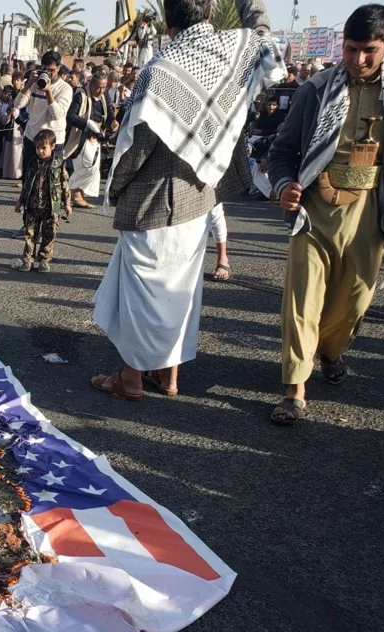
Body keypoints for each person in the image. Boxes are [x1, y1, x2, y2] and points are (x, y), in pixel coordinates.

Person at [90, 0, 282, 401]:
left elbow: (138, 146)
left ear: (167, 18)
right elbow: (263, 31)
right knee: (180, 291)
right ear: (209, 13)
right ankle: (169, 376)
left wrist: (116, 186)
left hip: (154, 200)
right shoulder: (236, 49)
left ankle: (130, 378)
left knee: (142, 294)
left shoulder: (161, 70)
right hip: (200, 197)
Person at [267, 4, 384, 424]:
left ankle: (330, 349)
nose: (358, 59)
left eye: (369, 50)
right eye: (351, 49)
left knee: (355, 302)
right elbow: (282, 151)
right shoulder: (316, 90)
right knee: (301, 299)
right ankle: (295, 387)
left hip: (370, 211)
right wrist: (284, 185)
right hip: (314, 209)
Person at [13, 129, 72, 272]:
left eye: (44, 148)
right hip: (33, 204)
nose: (40, 151)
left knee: (49, 234)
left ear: (53, 146)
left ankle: (44, 260)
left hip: (53, 205)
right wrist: (20, 201)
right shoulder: (33, 162)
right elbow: (27, 183)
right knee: (30, 234)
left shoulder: (59, 163)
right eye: (37, 147)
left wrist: (67, 204)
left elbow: (64, 185)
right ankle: (28, 259)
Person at [13, 51, 73, 183]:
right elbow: (17, 104)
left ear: (59, 68)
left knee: (52, 181)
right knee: (29, 180)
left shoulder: (65, 88)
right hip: (33, 136)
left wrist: (48, 92)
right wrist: (29, 84)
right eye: (45, 69)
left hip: (54, 140)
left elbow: (57, 114)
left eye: (52, 70)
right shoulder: (34, 84)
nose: (48, 73)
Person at [65, 70, 117, 207]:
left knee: (93, 167)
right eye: (99, 87)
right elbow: (71, 116)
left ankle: (78, 194)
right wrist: (88, 123)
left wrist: (112, 121)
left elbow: (110, 110)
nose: (101, 91)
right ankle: (75, 194)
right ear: (92, 84)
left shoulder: (104, 95)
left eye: (104, 87)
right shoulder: (80, 95)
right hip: (81, 137)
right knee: (87, 166)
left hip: (97, 136)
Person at [0, 85, 25, 181]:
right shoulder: (10, 107)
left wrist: (18, 116)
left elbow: (25, 120)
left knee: (17, 153)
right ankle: (7, 173)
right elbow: (3, 120)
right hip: (9, 131)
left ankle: (17, 174)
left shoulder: (24, 107)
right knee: (8, 152)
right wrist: (9, 115)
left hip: (18, 132)